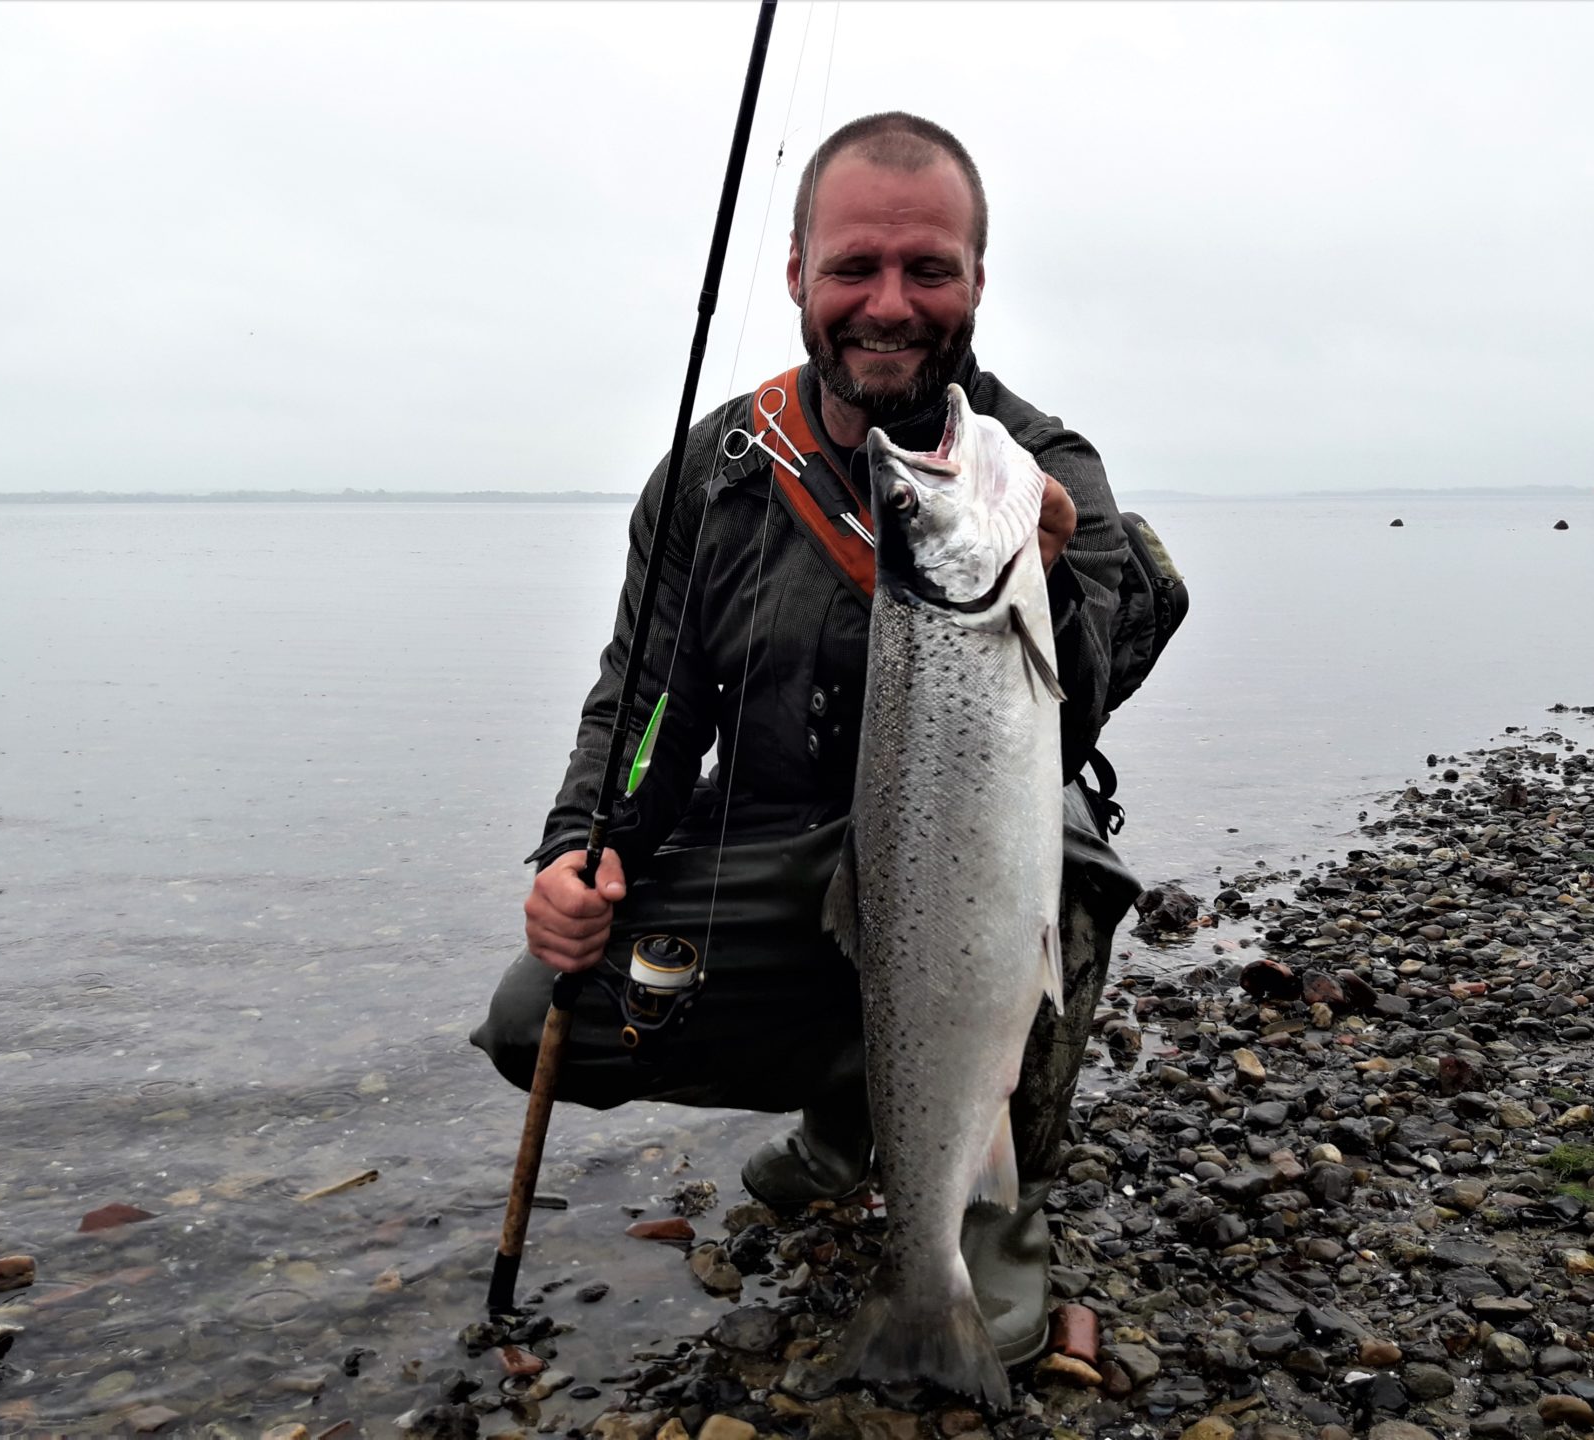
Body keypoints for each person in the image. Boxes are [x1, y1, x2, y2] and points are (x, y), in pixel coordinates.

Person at [473, 112, 1181, 1368]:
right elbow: (645, 709)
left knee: (1069, 878)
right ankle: (850, 1115)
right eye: (855, 267)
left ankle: (986, 1217)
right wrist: (585, 846)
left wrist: (1057, 578)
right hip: (779, 865)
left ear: (976, 280)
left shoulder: (1040, 469)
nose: (890, 305)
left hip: (973, 872)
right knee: (540, 1016)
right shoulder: (716, 475)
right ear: (798, 273)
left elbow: (1084, 690)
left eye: (930, 270)